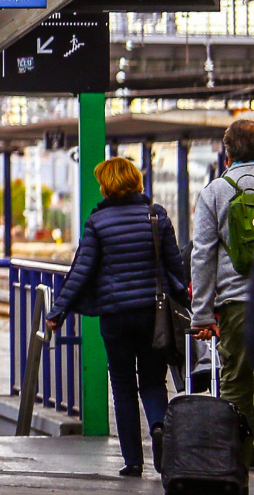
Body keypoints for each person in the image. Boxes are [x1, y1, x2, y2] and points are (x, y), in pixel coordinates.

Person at [48, 156, 189, 477]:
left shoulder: (98, 223)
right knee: (153, 382)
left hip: (115, 316)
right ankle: (158, 428)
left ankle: (133, 461)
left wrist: (58, 311)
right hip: (154, 315)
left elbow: (80, 272)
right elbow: (175, 268)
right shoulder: (156, 217)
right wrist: (187, 305)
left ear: (107, 185)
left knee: (123, 386)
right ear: (135, 181)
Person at [190, 121, 254, 463]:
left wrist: (202, 314)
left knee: (236, 385)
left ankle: (238, 472)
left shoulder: (216, 191)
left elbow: (202, 255)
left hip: (237, 304)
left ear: (227, 153)